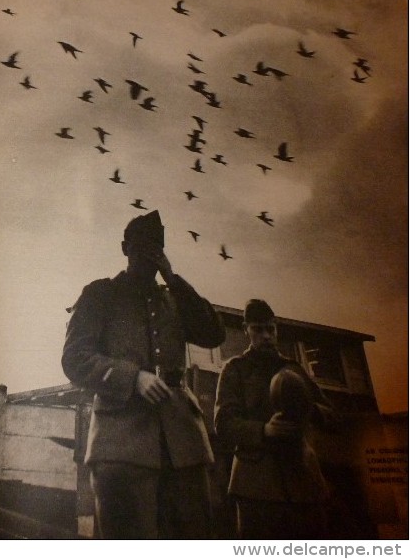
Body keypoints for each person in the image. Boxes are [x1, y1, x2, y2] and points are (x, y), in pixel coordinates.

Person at [62, 210, 226, 539]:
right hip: (121, 442)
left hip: (182, 444)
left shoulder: (173, 298)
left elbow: (213, 333)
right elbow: (74, 358)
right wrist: (132, 377)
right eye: (142, 247)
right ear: (125, 248)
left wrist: (173, 278)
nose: (150, 255)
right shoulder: (101, 294)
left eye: (157, 248)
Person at [215, 299, 336, 539]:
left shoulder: (294, 369)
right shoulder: (235, 369)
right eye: (258, 329)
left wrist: (307, 409)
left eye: (271, 329)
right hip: (256, 485)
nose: (267, 336)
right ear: (245, 329)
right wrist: (264, 431)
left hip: (303, 482)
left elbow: (332, 415)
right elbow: (223, 424)